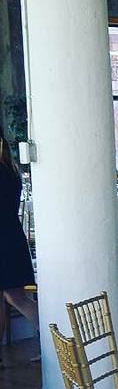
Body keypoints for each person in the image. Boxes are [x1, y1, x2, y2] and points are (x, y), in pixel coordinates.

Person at [0, 134, 38, 334]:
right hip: (12, 236)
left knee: (13, 296)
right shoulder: (11, 170)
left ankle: (48, 331)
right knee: (15, 296)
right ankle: (48, 332)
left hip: (4, 239)